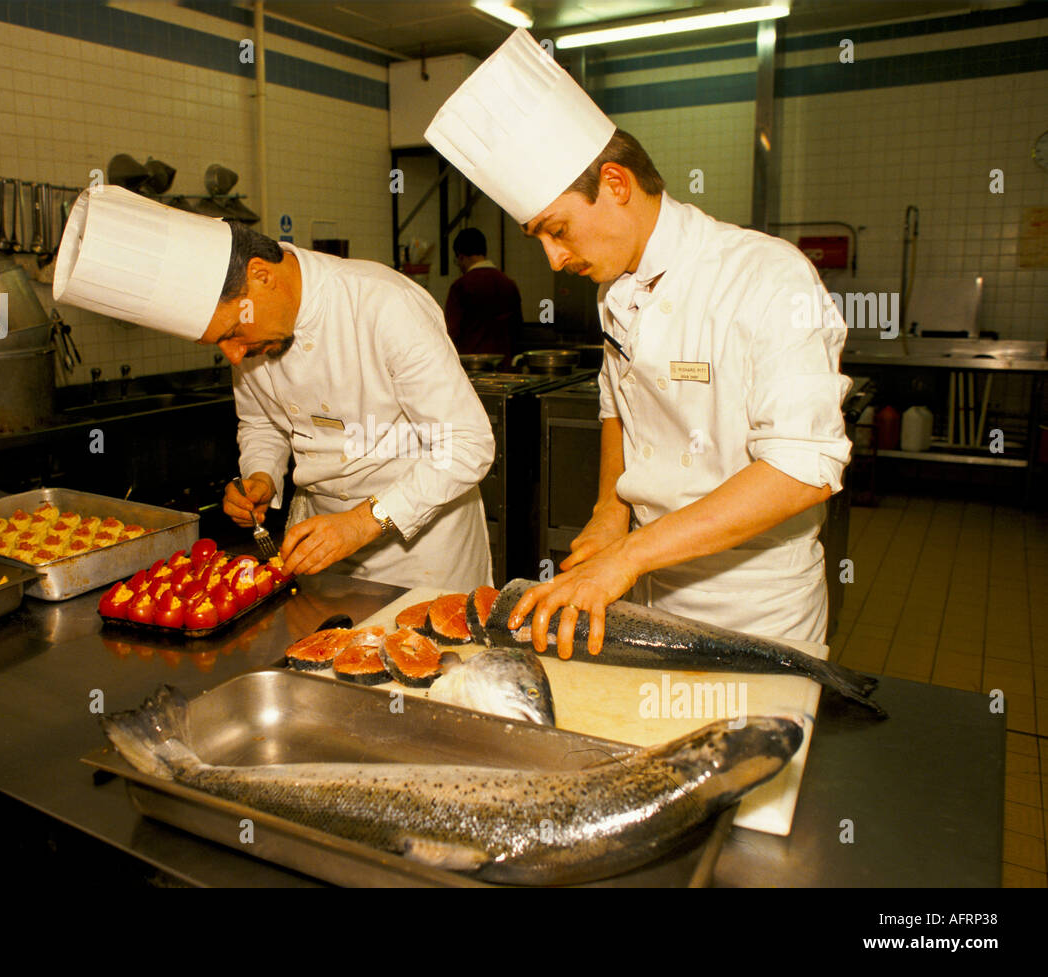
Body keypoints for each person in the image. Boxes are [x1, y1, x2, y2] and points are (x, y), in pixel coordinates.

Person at [426, 29, 852, 655]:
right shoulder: (616, 288)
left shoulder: (767, 274)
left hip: (754, 608)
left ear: (617, 184)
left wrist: (627, 556)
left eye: (558, 230)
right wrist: (609, 512)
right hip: (643, 587)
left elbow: (801, 469)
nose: (552, 257)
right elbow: (617, 407)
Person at [53, 185, 494, 592]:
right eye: (218, 342)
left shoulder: (383, 304)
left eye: (231, 332)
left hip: (421, 552)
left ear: (261, 275)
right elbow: (261, 421)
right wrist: (261, 475)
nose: (233, 355)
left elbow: (467, 444)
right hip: (315, 543)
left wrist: (362, 522)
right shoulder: (252, 336)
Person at [444, 227, 520, 368]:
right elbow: (516, 330)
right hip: (504, 365)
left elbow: (451, 332)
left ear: (461, 257)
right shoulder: (508, 283)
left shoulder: (461, 286)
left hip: (472, 365)